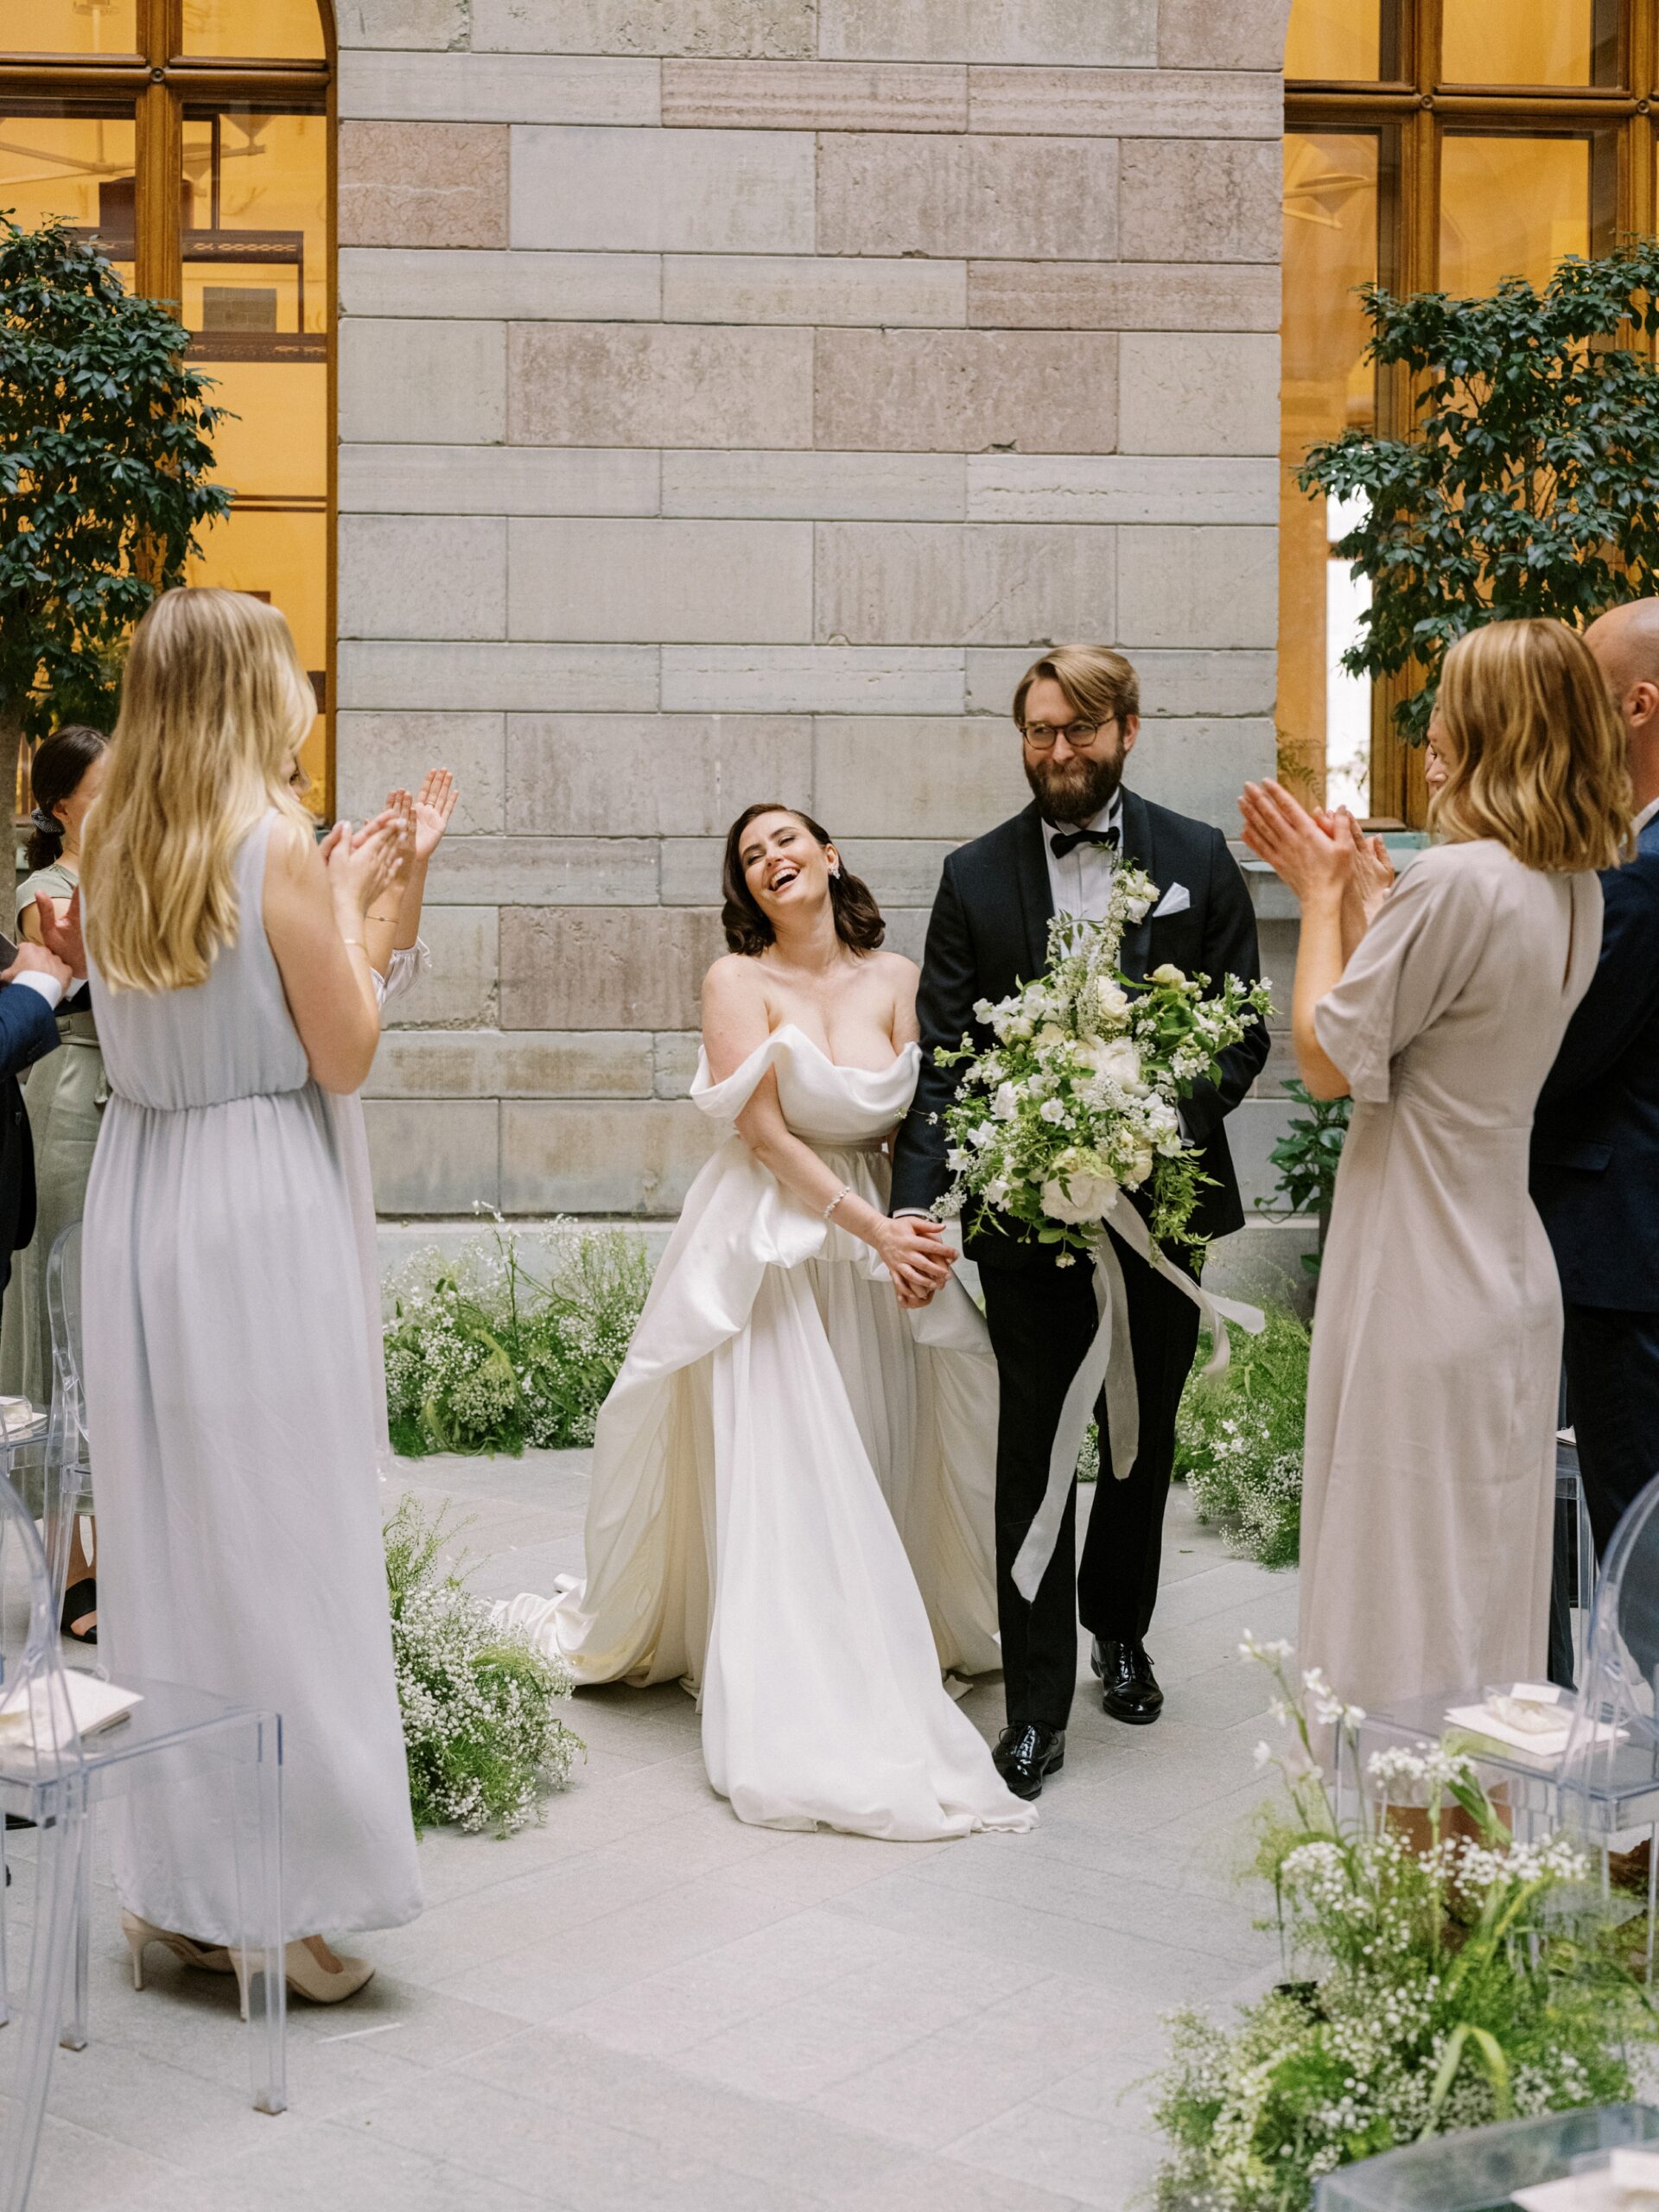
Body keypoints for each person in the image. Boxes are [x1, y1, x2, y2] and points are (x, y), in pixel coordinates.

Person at [496, 804, 1033, 1840]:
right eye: (751, 857)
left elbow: (934, 1113)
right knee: (796, 1461)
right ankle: (798, 1659)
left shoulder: (898, 977)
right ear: (747, 891)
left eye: (787, 841)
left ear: (831, 854)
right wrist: (870, 1227)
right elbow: (766, 1131)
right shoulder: (735, 981)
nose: (772, 860)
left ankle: (879, 1620)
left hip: (882, 1237)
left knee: (885, 1446)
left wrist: (915, 1228)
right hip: (776, 1246)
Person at [79, 586, 423, 2001]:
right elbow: (342, 1054)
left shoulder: (107, 839)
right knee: (286, 1547)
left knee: (170, 1551)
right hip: (257, 1208)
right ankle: (280, 1907)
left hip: (144, 1197)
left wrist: (345, 901)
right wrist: (367, 900)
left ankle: (177, 1892)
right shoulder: (274, 840)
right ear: (249, 690)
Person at [890, 647, 1268, 1800]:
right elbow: (946, 1060)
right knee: (1034, 1450)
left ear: (1127, 731)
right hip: (1023, 1217)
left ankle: (1122, 1627)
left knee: (1138, 1442)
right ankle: (1038, 1705)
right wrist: (918, 1204)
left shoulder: (1200, 861)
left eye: (1078, 733)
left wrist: (1142, 1117)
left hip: (1165, 1205)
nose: (1057, 754)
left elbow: (1241, 1033)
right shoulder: (973, 875)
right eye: (1039, 733)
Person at [1241, 616, 1628, 1725]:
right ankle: (1474, 1825)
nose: (1436, 729)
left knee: (1395, 1582)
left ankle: (1401, 1838)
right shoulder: (1572, 888)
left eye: (1452, 704)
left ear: (1498, 727)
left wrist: (1323, 897)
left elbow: (1328, 1059)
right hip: (1503, 1262)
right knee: (1479, 1578)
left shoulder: (1457, 879)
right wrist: (1371, 900)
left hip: (1420, 1261)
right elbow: (1427, 1037)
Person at [1531, 600, 1659, 1675]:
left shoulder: (1640, 873)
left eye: (1582, 689)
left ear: (1635, 705)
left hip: (1626, 1253)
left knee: (1633, 1534)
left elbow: (1558, 1055)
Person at [1, 723, 111, 1641]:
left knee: (118, 1313)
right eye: (102, 779)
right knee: (61, 1307)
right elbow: (64, 987)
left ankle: (124, 1544)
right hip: (73, 1091)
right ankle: (75, 1564)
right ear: (62, 802)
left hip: (140, 1094)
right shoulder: (47, 889)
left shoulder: (148, 871)